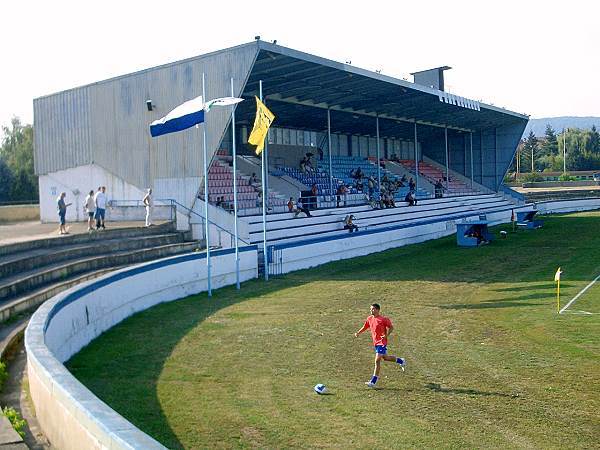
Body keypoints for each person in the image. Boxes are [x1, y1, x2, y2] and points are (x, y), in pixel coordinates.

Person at [354, 303, 406, 388]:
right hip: (376, 343)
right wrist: (358, 333)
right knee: (385, 358)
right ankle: (401, 361)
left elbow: (391, 327)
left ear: (378, 310)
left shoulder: (383, 319)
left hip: (382, 342)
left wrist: (386, 335)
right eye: (371, 309)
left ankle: (373, 382)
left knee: (377, 360)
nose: (371, 310)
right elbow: (365, 326)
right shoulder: (369, 318)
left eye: (373, 309)